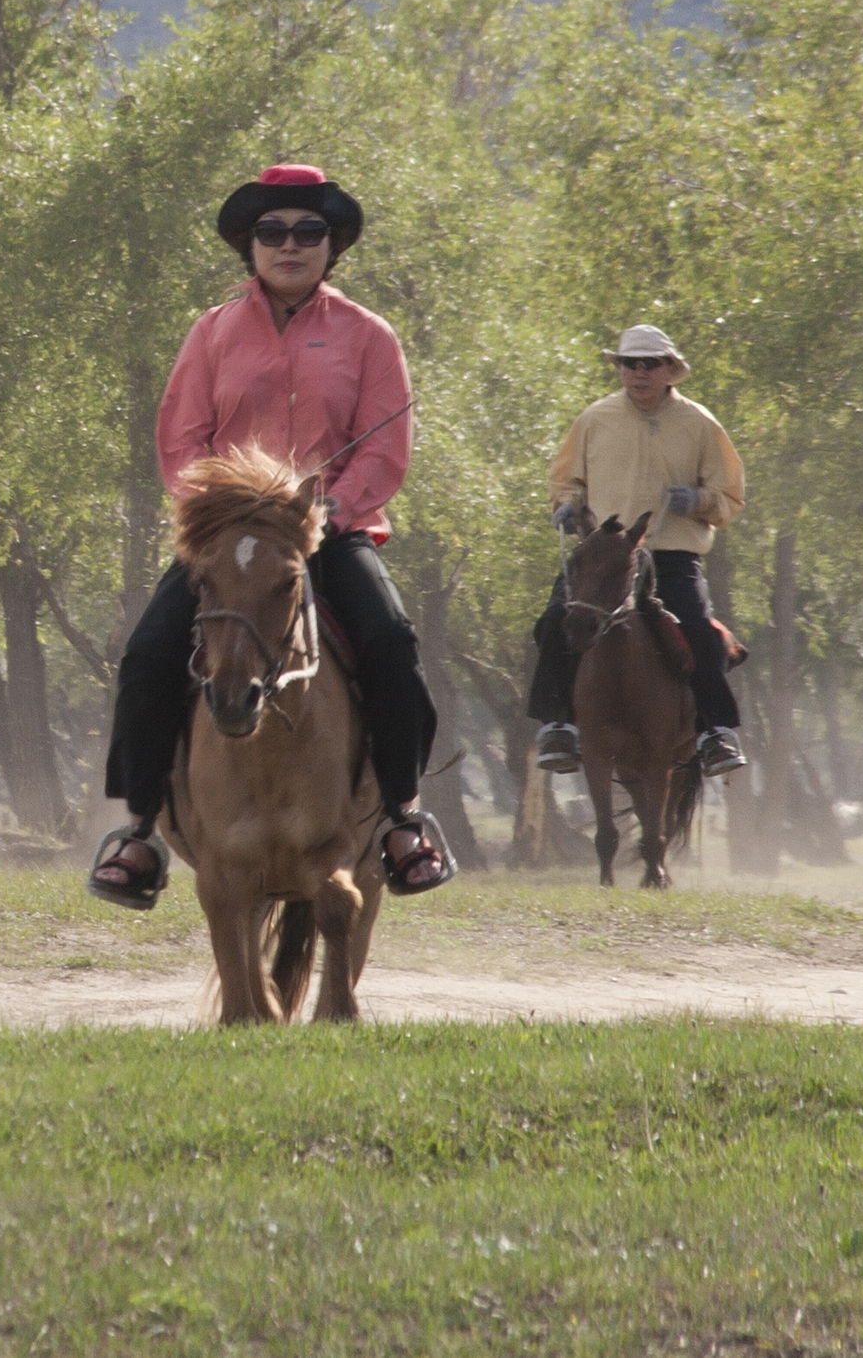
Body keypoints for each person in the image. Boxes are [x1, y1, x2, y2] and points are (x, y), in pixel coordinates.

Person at [86, 164, 452, 909]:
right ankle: (140, 830)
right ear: (249, 246)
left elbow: (384, 449)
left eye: (308, 232)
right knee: (149, 654)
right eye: (272, 232)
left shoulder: (368, 337)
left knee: (389, 645)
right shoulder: (211, 332)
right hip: (227, 541)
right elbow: (181, 440)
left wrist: (330, 512)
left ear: (331, 246)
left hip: (330, 533)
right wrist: (217, 516)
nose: (290, 245)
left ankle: (400, 818)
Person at [528, 325, 750, 778]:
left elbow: (728, 494)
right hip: (602, 552)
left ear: (670, 369)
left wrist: (701, 501)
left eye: (650, 364)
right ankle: (559, 726)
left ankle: (714, 733)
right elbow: (565, 478)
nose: (639, 372)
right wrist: (567, 507)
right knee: (554, 622)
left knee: (700, 632)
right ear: (620, 368)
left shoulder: (700, 423)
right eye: (630, 363)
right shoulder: (594, 418)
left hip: (671, 552)